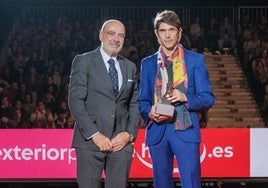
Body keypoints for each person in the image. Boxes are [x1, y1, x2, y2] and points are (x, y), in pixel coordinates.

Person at [139, 10, 215, 188]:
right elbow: (142, 101)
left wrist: (185, 98)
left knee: (191, 183)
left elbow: (208, 98)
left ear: (179, 32)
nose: (167, 35)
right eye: (163, 30)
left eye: (171, 30)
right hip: (158, 132)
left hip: (185, 130)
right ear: (157, 34)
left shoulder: (195, 60)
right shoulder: (148, 63)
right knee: (161, 184)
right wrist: (149, 111)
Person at [68, 19, 140, 188]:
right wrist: (95, 135)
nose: (116, 39)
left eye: (121, 35)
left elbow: (134, 104)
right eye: (111, 33)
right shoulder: (83, 61)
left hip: (120, 144)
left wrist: (129, 134)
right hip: (90, 142)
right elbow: (75, 101)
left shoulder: (129, 66)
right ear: (101, 35)